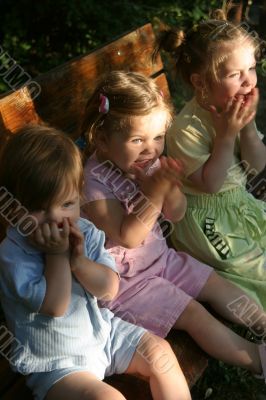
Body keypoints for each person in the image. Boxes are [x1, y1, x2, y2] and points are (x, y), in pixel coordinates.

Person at [79, 69, 266, 383]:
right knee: (195, 314)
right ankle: (257, 362)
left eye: (158, 137)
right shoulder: (93, 185)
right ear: (102, 138)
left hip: (162, 260)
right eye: (137, 139)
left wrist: (169, 187)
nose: (150, 148)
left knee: (216, 285)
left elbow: (176, 213)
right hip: (127, 286)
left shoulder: (147, 163)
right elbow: (128, 235)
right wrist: (153, 191)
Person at [0, 124, 191, 400]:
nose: (56, 218)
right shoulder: (12, 254)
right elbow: (54, 306)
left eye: (66, 204)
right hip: (57, 365)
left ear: (79, 196)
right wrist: (57, 256)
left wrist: (78, 262)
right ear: (13, 206)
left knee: (160, 353)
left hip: (103, 332)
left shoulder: (85, 231)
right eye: (39, 209)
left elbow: (109, 289)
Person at [156, 10, 266, 308]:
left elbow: (256, 166)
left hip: (238, 206)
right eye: (234, 74)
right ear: (201, 82)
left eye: (251, 69)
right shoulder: (185, 129)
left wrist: (248, 127)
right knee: (258, 273)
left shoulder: (236, 108)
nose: (248, 81)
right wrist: (227, 135)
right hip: (206, 222)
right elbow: (211, 185)